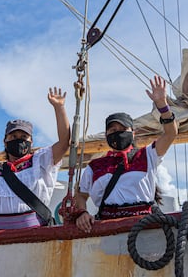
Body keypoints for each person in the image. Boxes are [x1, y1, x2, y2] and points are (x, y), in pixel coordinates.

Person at [75, 75, 178, 233]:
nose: (118, 133)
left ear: (133, 133)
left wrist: (162, 105)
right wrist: (82, 212)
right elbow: (81, 195)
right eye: (113, 130)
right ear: (107, 134)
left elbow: (170, 134)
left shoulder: (147, 155)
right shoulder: (94, 167)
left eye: (123, 130)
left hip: (145, 226)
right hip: (106, 228)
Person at [0, 87, 70, 230]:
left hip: (36, 236)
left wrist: (59, 107)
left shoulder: (40, 162)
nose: (19, 140)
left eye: (23, 137)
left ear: (31, 142)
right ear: (5, 142)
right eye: (13, 137)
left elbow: (64, 144)